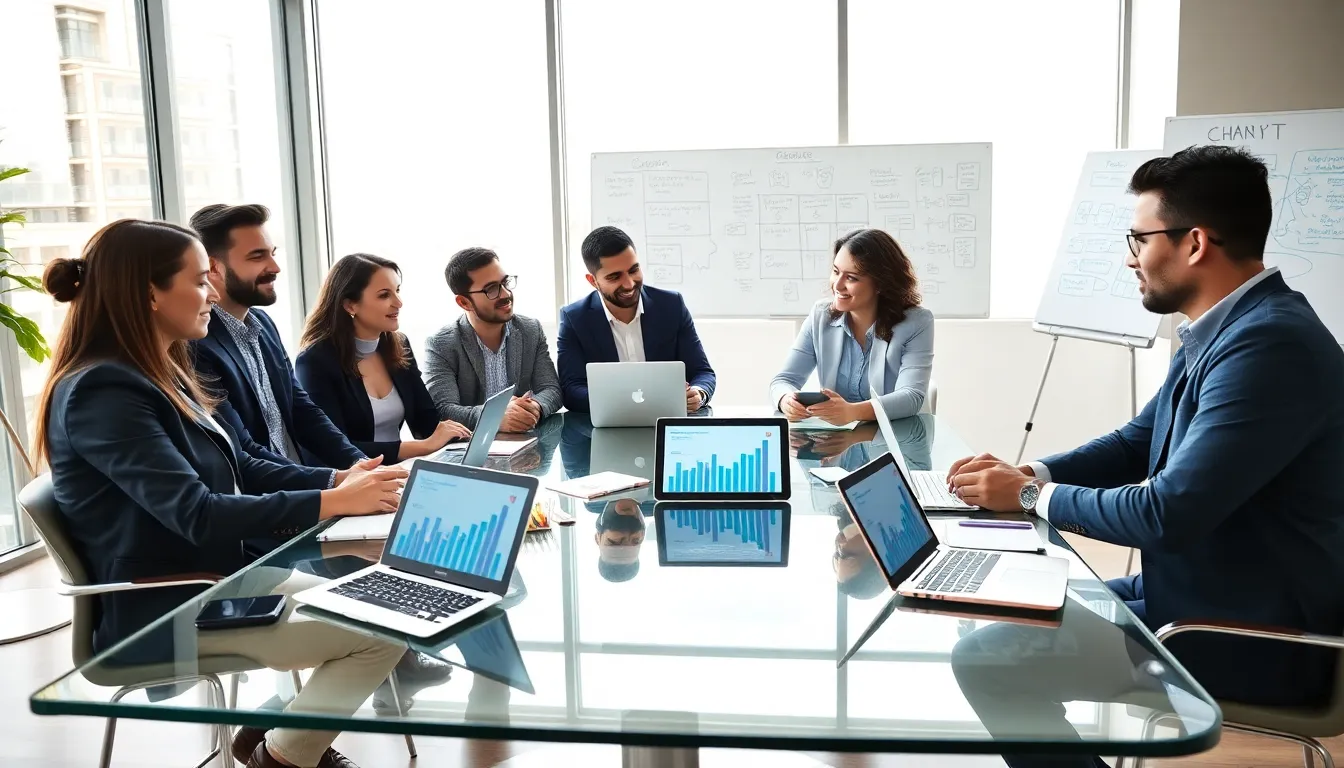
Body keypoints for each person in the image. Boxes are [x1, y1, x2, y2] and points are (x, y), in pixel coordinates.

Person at [947, 146, 1344, 717]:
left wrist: (1030, 498)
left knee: (986, 661)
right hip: (1202, 595)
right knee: (1006, 608)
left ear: (1195, 243)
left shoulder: (1269, 345)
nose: (1131, 258)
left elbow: (1166, 515)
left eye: (1139, 239)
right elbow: (1136, 443)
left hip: (1250, 637)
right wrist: (1030, 473)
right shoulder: (1226, 327)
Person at [35, 219, 408, 768]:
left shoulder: (161, 370)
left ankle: (272, 738)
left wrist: (338, 486)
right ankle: (280, 759)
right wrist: (334, 505)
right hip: (168, 605)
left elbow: (246, 465)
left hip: (215, 576)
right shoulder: (102, 390)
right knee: (381, 634)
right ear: (150, 294)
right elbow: (196, 514)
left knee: (389, 602)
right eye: (198, 280)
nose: (212, 292)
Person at [189, 203, 365, 470]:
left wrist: (360, 464)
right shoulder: (195, 343)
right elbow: (240, 448)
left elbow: (301, 409)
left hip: (303, 487)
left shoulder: (263, 323)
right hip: (267, 499)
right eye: (258, 256)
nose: (275, 267)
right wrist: (333, 484)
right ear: (213, 267)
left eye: (272, 253)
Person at [295, 253, 472, 464]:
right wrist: (421, 447)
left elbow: (427, 421)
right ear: (350, 305)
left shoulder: (398, 345)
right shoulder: (315, 361)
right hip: (354, 480)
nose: (398, 302)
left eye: (397, 291)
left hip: (399, 471)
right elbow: (334, 447)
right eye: (384, 295)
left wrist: (459, 436)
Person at [770, 228, 933, 425]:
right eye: (836, 272)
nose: (837, 286)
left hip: (895, 441)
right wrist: (785, 400)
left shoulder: (917, 322)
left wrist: (852, 412)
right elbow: (782, 381)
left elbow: (911, 397)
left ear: (880, 284)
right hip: (837, 444)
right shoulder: (820, 316)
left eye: (851, 278)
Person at [556, 226, 715, 413]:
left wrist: (699, 393)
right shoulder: (574, 318)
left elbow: (702, 372)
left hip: (667, 426)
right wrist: (620, 403)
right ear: (593, 281)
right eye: (615, 277)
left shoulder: (671, 306)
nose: (629, 284)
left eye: (633, 270)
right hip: (609, 427)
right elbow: (571, 388)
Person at [423, 246, 563, 432]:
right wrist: (493, 417)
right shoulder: (442, 344)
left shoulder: (530, 330)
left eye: (505, 283)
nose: (505, 294)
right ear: (464, 302)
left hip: (525, 446)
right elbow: (444, 410)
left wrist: (534, 407)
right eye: (491, 289)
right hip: (469, 451)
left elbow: (551, 389)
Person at [594, 498, 647, 582]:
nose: (628, 533)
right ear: (643, 536)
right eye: (635, 541)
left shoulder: (591, 500)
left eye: (614, 542)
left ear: (598, 537)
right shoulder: (659, 501)